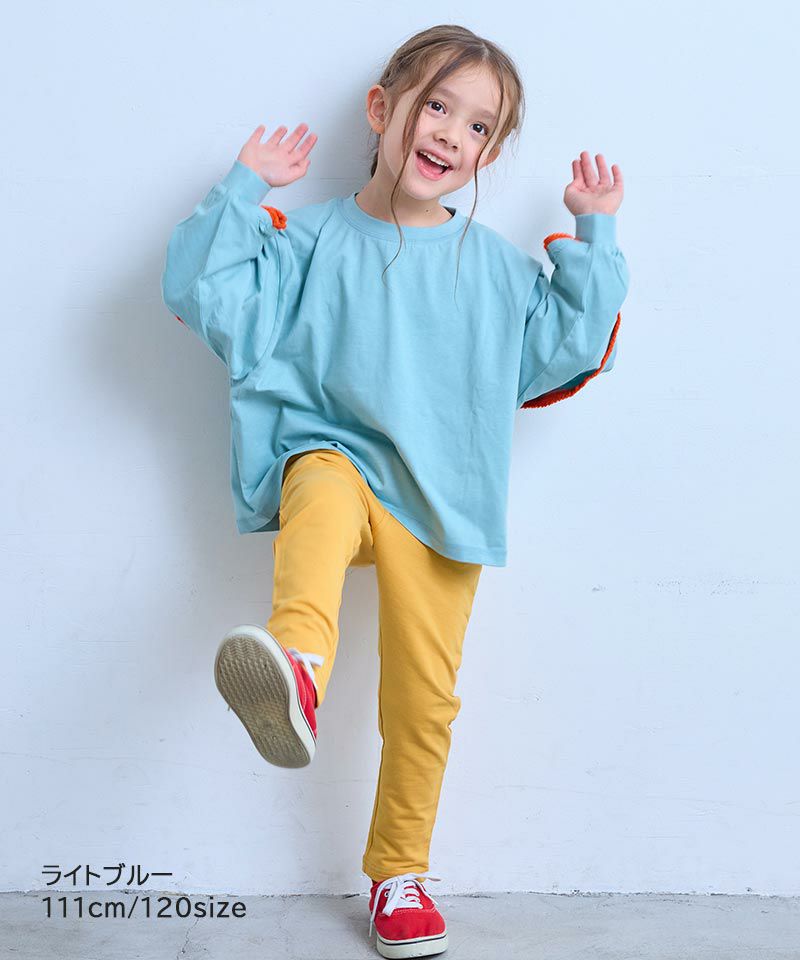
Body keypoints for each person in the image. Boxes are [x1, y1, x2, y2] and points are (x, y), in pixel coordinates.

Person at [161, 23, 628, 959]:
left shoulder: (493, 269)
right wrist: (244, 188)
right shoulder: (307, 242)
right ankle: (299, 664)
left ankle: (398, 874)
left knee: (424, 703)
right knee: (319, 486)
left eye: (479, 126)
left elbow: (570, 347)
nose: (452, 133)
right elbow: (202, 291)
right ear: (382, 110)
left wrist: (594, 230)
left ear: (490, 153)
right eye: (436, 105)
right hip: (332, 458)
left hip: (442, 499)